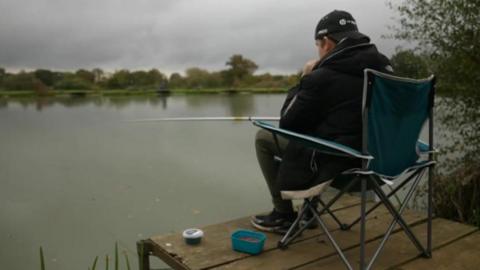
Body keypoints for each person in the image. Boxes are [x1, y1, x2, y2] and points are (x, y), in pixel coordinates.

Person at [251, 10, 393, 233]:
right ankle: (309, 212)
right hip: (384, 163)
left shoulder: (323, 76)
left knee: (263, 138)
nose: (318, 50)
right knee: (322, 132)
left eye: (318, 44)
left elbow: (288, 124)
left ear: (326, 43)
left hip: (342, 165)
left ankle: (284, 214)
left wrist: (305, 78)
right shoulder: (385, 70)